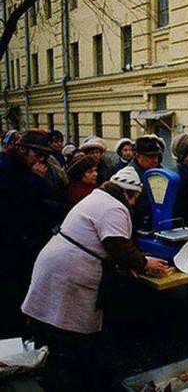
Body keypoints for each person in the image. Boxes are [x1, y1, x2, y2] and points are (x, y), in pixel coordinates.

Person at [21, 166, 168, 391]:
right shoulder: (114, 207)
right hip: (69, 268)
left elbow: (106, 244)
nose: (135, 203)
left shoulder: (99, 197)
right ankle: (71, 379)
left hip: (60, 262)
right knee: (69, 328)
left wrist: (127, 264)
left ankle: (78, 370)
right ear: (128, 193)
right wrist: (145, 263)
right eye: (135, 198)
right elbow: (118, 247)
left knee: (64, 323)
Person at [0, 131, 54, 338]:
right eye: (38, 154)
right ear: (22, 149)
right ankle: (12, 333)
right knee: (11, 289)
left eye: (45, 156)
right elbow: (16, 202)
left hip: (24, 240)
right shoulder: (6, 168)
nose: (41, 160)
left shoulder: (22, 167)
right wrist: (35, 178)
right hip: (10, 242)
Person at [128, 135, 163, 232]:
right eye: (150, 157)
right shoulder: (128, 176)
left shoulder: (161, 171)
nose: (155, 160)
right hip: (137, 227)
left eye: (157, 156)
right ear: (136, 155)